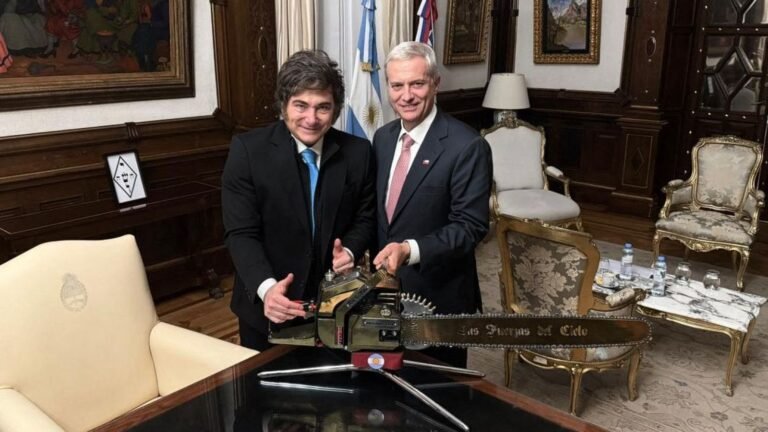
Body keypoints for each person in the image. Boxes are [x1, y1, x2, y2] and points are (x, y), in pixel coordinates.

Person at [222, 50, 376, 351]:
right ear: (283, 105)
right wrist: (267, 289)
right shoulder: (247, 151)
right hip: (267, 308)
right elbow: (241, 233)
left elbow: (365, 217)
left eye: (323, 107)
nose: (311, 119)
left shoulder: (359, 152)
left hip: (336, 306)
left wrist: (349, 250)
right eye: (301, 105)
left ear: (336, 109)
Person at [372, 41, 492, 367]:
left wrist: (409, 249)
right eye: (397, 85)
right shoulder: (382, 138)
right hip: (385, 292)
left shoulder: (467, 146)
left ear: (436, 84)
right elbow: (379, 213)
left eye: (417, 84)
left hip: (440, 296)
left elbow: (470, 227)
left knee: (440, 385)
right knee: (387, 378)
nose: (406, 96)